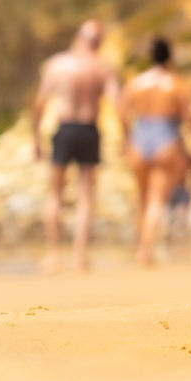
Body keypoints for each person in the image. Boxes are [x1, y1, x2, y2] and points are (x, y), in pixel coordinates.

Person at [31, 20, 119, 272]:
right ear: (99, 42)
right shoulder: (102, 68)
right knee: (85, 196)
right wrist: (127, 132)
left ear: (78, 37)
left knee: (56, 193)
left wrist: (35, 136)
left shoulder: (58, 64)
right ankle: (80, 257)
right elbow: (116, 102)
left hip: (65, 129)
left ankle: (54, 256)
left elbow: (40, 102)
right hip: (89, 130)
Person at [119, 36, 191, 266]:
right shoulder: (176, 84)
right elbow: (190, 118)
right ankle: (146, 251)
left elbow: (121, 113)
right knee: (157, 199)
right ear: (170, 57)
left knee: (142, 198)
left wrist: (127, 138)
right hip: (166, 136)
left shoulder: (136, 83)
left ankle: (141, 247)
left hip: (140, 135)